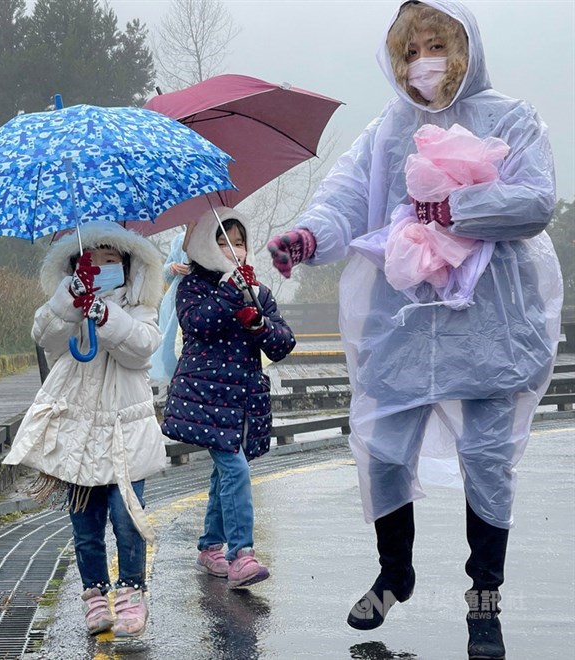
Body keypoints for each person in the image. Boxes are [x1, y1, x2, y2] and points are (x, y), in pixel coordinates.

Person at [266, 2, 563, 658]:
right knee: (382, 447)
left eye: (435, 45)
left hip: (490, 321)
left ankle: (484, 589)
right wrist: (308, 236)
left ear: (464, 46)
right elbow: (346, 197)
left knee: (487, 459)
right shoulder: (388, 131)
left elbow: (537, 201)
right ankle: (393, 573)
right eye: (409, 51)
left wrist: (451, 207)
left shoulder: (511, 119)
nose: (421, 62)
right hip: (402, 324)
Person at [2, 220, 167, 638]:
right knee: (85, 524)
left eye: (111, 260)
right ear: (77, 265)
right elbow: (46, 337)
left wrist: (105, 315)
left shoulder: (139, 308)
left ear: (128, 266)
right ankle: (95, 595)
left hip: (124, 432)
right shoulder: (69, 302)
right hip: (78, 434)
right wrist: (71, 302)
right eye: (92, 260)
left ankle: (132, 590)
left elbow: (142, 350)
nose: (102, 266)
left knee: (126, 516)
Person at [162, 206, 296, 589]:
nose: (234, 250)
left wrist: (259, 324)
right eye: (224, 243)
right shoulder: (193, 285)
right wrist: (229, 295)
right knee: (235, 469)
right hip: (205, 397)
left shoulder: (258, 291)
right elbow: (196, 323)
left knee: (225, 470)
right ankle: (241, 555)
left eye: (240, 243)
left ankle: (209, 546)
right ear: (207, 245)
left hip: (242, 399)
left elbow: (284, 342)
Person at [149, 230, 190, 384]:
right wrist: (172, 268)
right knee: (171, 347)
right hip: (176, 301)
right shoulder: (180, 240)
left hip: (200, 300)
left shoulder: (212, 237)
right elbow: (165, 273)